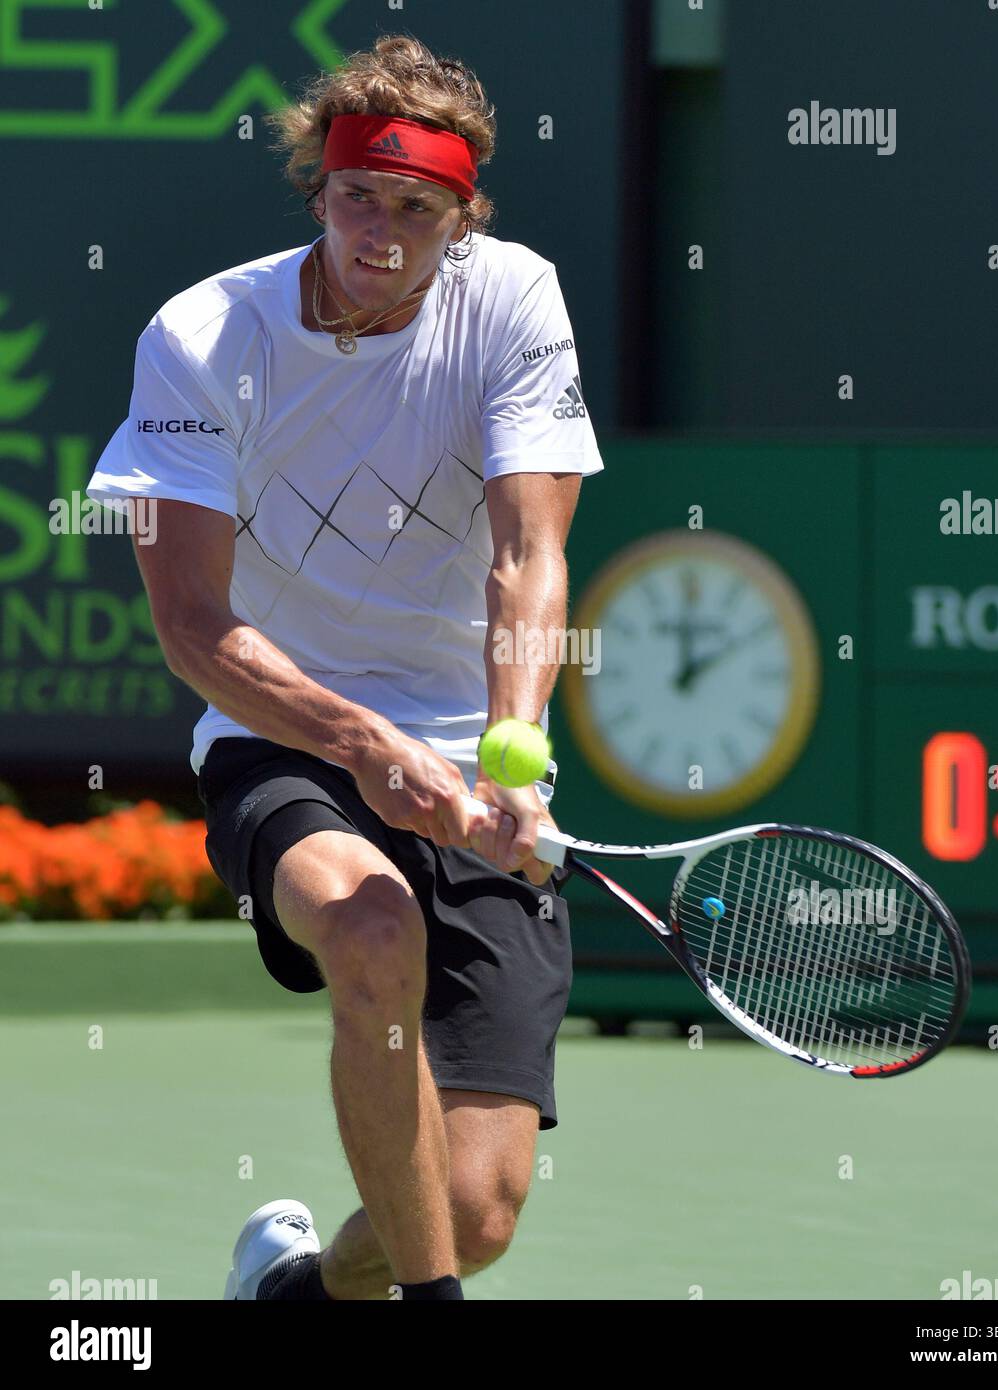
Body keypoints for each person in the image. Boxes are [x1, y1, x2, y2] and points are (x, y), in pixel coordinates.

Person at [86, 33, 604, 1302]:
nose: (381, 231)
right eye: (358, 195)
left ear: (461, 217)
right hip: (283, 734)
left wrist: (513, 753)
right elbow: (196, 627)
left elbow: (528, 550)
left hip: (470, 750)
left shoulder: (516, 299)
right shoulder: (203, 335)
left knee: (471, 1211)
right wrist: (371, 748)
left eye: (417, 209)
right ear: (316, 188)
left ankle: (304, 1291)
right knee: (371, 926)